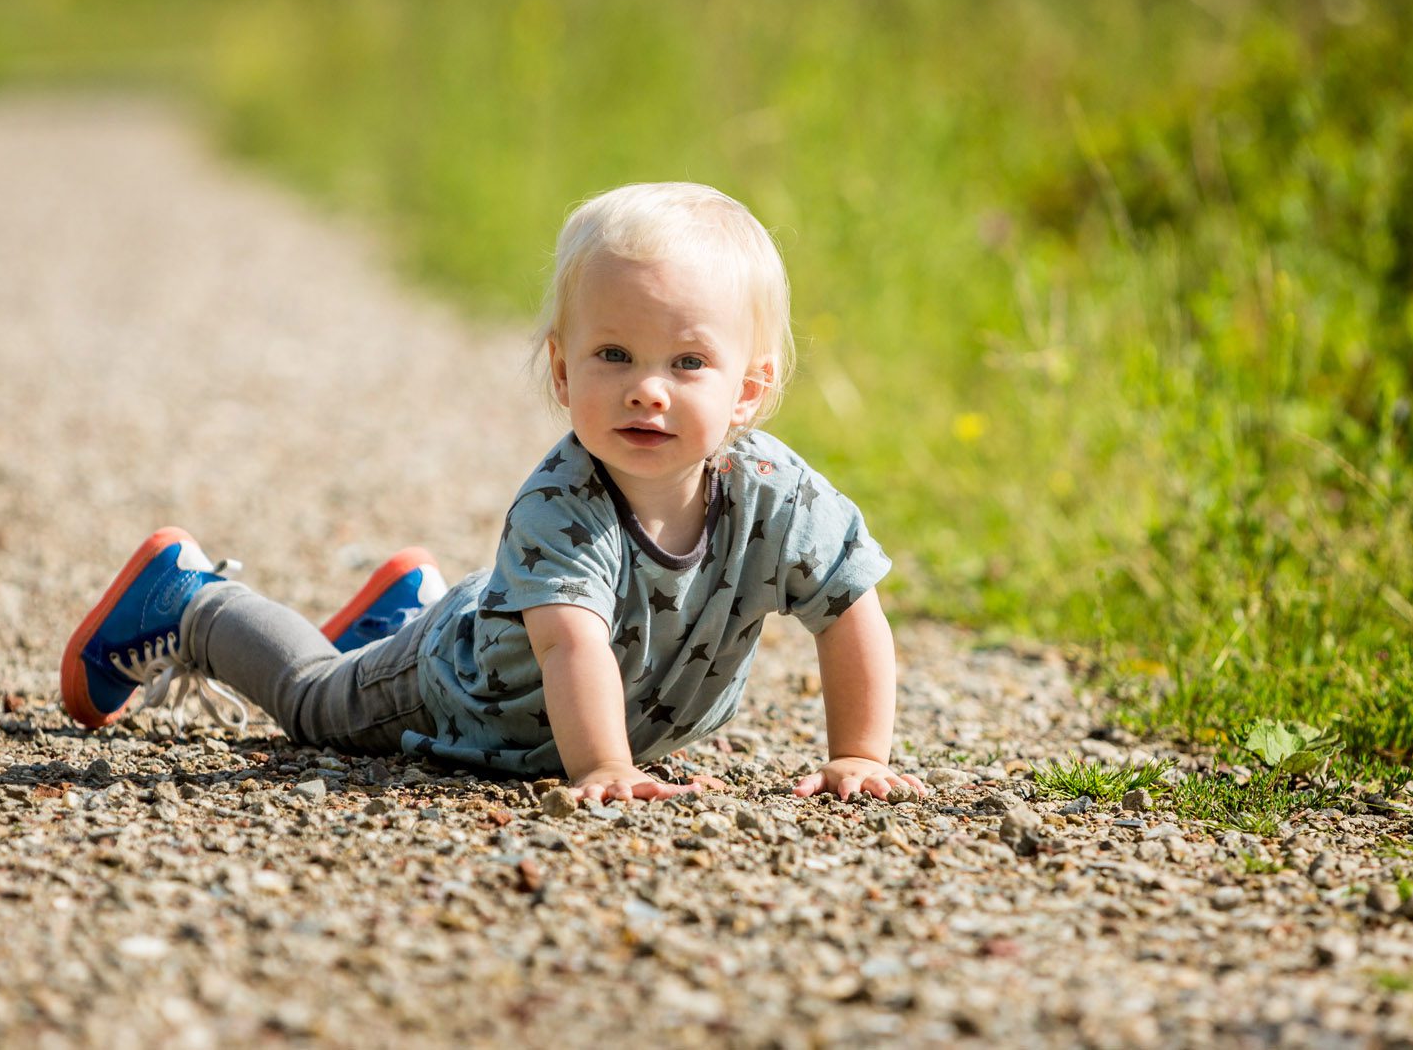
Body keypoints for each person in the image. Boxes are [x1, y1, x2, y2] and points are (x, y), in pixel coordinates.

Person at [59, 182, 927, 804]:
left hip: (521, 660)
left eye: (688, 362)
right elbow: (571, 651)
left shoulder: (779, 494)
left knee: (363, 674)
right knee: (316, 703)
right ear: (562, 369)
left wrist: (858, 752)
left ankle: (398, 608)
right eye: (613, 355)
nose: (647, 389)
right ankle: (194, 601)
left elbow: (852, 610)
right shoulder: (564, 503)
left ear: (748, 389)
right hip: (464, 688)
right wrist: (604, 769)